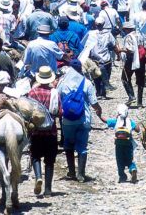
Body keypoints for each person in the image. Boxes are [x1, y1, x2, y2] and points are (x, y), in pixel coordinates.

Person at [57, 59, 102, 183]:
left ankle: (71, 171)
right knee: (82, 146)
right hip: (83, 119)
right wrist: (99, 110)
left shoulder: (63, 82)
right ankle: (81, 174)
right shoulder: (87, 83)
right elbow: (94, 103)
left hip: (67, 120)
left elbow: (58, 98)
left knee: (68, 145)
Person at [28, 66, 62, 197]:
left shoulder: (32, 93)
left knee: (35, 156)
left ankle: (38, 177)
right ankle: (48, 189)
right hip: (51, 131)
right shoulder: (55, 92)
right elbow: (60, 112)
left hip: (36, 131)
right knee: (50, 160)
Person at [98, 104, 140, 183]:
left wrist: (99, 115)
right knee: (129, 159)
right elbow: (137, 129)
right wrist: (136, 125)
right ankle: (132, 169)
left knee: (119, 160)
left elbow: (105, 121)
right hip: (128, 144)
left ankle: (122, 176)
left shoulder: (116, 121)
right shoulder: (130, 121)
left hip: (118, 144)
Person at [89, 17, 117, 98]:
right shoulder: (108, 34)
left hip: (94, 59)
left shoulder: (91, 33)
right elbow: (113, 45)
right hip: (106, 58)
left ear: (95, 24)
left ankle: (98, 92)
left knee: (96, 76)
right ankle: (103, 92)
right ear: (104, 24)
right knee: (106, 75)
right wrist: (118, 54)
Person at [120, 22, 145, 107]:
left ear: (127, 29)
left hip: (131, 60)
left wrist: (121, 50)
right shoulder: (140, 35)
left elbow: (130, 50)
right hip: (141, 60)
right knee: (140, 81)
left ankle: (131, 96)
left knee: (125, 78)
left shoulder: (128, 37)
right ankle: (140, 103)